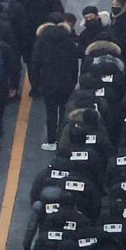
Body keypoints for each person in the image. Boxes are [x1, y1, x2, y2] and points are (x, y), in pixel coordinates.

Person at [30, 13, 80, 149]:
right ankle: (62, 140)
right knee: (65, 112)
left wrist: (36, 84)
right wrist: (73, 81)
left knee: (51, 113)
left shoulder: (41, 41)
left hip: (47, 82)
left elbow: (35, 64)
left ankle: (51, 141)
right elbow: (74, 65)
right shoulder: (69, 41)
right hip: (66, 82)